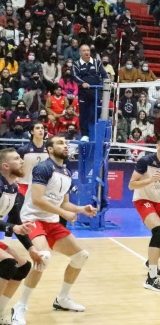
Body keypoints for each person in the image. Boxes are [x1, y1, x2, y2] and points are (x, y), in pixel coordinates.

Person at [11, 136, 97, 324]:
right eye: (60, 143)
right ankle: (20, 307)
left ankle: (62, 299)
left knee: (81, 255)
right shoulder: (43, 168)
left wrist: (82, 209)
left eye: (66, 143)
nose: (65, 145)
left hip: (51, 221)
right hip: (32, 219)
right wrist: (64, 214)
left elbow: (64, 203)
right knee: (43, 258)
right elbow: (38, 200)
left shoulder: (66, 171)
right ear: (50, 149)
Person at [128, 133, 160, 292]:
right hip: (143, 199)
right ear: (157, 146)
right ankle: (151, 278)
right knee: (158, 232)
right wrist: (150, 180)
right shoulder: (145, 161)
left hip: (158, 201)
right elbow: (131, 185)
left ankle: (151, 262)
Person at [0, 148, 44, 324]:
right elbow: (13, 225)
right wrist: (13, 228)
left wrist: (31, 248)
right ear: (5, 165)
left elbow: (15, 219)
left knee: (23, 266)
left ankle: (1, 312)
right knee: (8, 262)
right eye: (17, 159)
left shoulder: (14, 188)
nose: (22, 161)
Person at [14, 123, 48, 226]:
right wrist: (15, 178)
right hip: (24, 186)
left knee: (43, 214)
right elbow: (15, 166)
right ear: (32, 132)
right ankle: (9, 236)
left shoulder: (49, 149)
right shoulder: (23, 150)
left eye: (42, 128)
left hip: (42, 187)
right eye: (37, 128)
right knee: (16, 212)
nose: (41, 130)